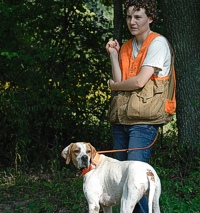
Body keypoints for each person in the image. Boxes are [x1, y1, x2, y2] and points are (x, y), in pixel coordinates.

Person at [106, 0, 175, 212]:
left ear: (150, 18)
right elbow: (119, 81)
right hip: (122, 120)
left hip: (144, 122)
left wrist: (116, 85)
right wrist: (113, 56)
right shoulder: (127, 46)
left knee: (134, 180)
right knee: (123, 180)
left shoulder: (158, 43)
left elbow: (138, 82)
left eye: (138, 17)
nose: (132, 22)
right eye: (128, 17)